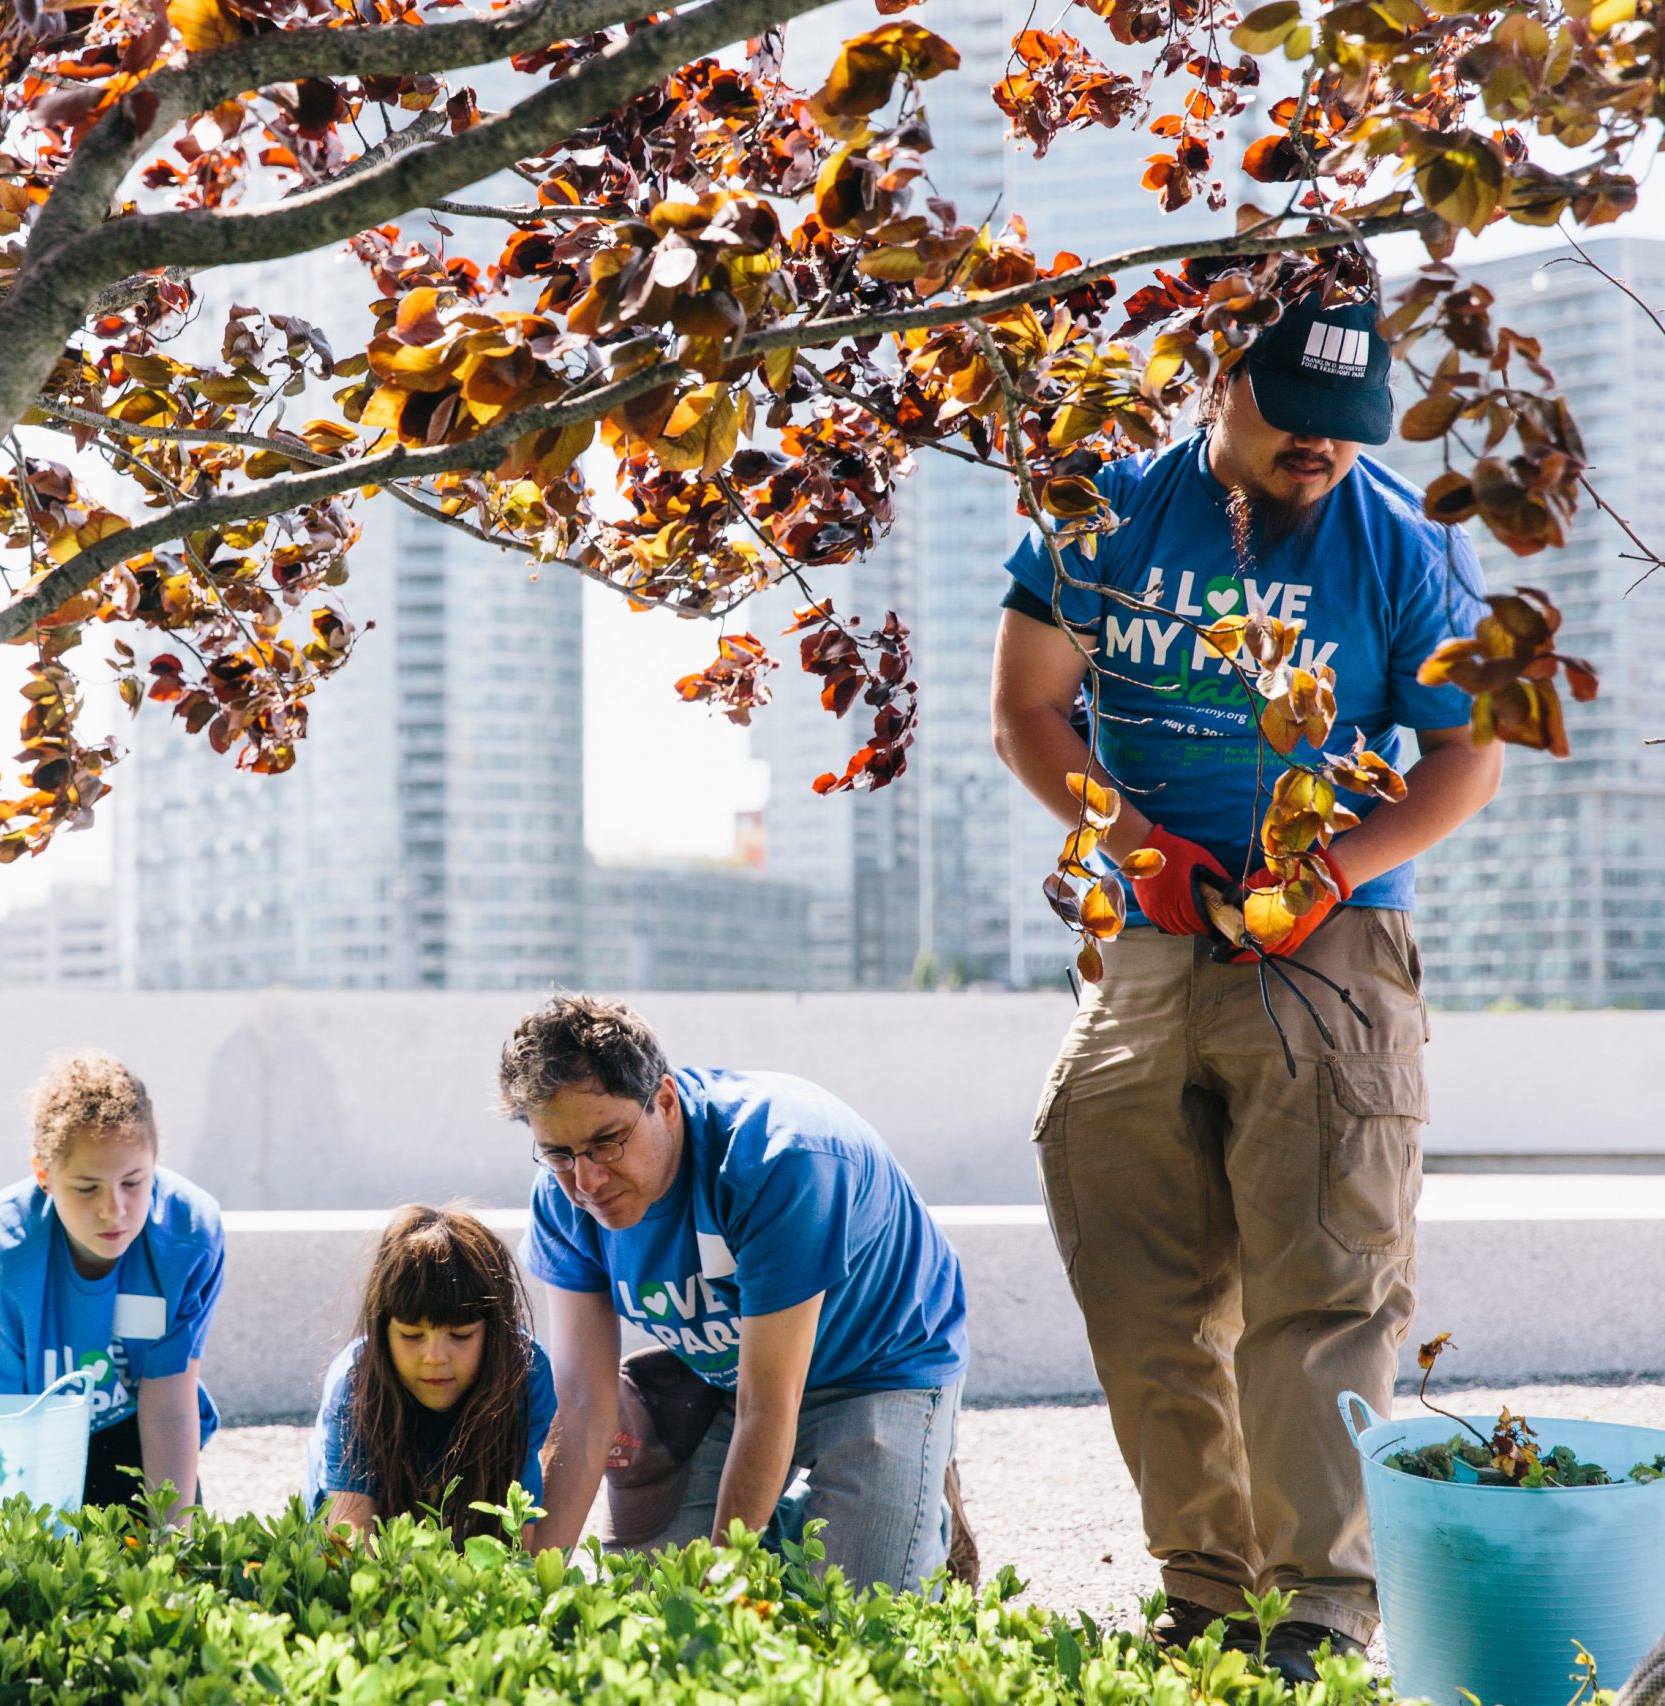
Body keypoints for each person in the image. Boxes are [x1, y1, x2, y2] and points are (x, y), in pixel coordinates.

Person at [989, 289, 1501, 1674]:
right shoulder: (1098, 514)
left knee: (1324, 1284)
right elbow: (1029, 704)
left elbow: (1466, 752)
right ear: (1222, 377)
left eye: (1346, 429)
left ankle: (1321, 1609)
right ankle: (1209, 1589)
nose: (1320, 453)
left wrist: (1333, 870)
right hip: (1151, 930)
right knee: (1138, 1272)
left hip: (1331, 940)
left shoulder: (1407, 543)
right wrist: (1136, 846)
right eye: (1293, 421)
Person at [506, 993, 970, 1593]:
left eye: (608, 1142)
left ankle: (911, 1499)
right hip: (724, 1373)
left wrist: (721, 1593)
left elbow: (768, 1405)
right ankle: (791, 1521)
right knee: (651, 1603)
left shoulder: (780, 1160)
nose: (587, 1181)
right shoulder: (563, 1199)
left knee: (856, 1615)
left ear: (665, 1101)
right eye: (559, 1154)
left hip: (881, 1363)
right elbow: (581, 1402)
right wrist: (528, 1590)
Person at [0, 1050, 224, 1519]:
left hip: (132, 1432)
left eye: (134, 1182)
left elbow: (167, 1406)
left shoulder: (189, 1235)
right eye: (86, 1188)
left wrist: (172, 1546)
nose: (113, 1209)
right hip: (22, 1433)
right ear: (44, 1174)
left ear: (156, 1162)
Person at [306, 1204, 558, 1545]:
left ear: (496, 1332)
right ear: (382, 1331)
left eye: (461, 1335)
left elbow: (518, 1529)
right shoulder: (354, 1382)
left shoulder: (526, 1373)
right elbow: (351, 1526)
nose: (435, 1357)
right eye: (411, 1335)